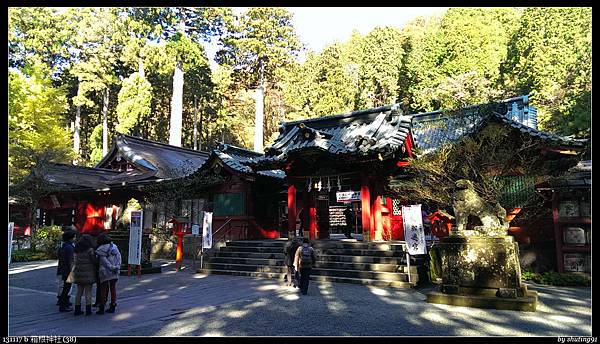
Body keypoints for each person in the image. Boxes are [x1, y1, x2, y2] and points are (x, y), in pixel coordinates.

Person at [70, 234, 98, 316]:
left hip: (78, 272)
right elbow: (94, 261)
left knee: (79, 292)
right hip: (88, 272)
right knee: (88, 292)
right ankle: (88, 310)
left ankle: (77, 309)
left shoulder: (76, 250)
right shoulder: (90, 250)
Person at [95, 232, 122, 314]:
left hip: (105, 272)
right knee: (113, 288)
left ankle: (102, 307)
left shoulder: (100, 249)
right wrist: (117, 267)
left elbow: (104, 262)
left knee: (103, 289)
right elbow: (119, 258)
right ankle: (113, 305)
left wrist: (111, 267)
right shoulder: (115, 247)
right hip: (114, 271)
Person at [57, 230, 76, 312]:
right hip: (69, 270)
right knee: (67, 288)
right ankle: (63, 305)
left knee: (65, 287)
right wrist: (73, 271)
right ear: (70, 238)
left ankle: (63, 303)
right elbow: (71, 260)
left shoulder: (64, 246)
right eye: (74, 236)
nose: (75, 238)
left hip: (63, 269)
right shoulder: (70, 247)